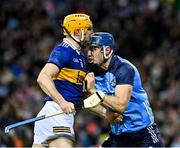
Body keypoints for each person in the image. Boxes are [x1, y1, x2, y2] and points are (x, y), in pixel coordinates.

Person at [85, 32, 164, 147]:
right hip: (118, 135)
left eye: (93, 49)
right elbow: (85, 99)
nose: (89, 53)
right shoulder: (90, 70)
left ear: (107, 50)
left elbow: (121, 105)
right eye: (88, 49)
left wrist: (93, 92)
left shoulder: (124, 68)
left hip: (143, 135)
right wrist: (106, 114)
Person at [32, 13, 94, 147]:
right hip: (57, 113)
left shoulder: (80, 56)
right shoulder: (64, 50)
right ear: (77, 32)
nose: (91, 33)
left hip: (51, 114)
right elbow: (43, 77)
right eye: (88, 29)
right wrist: (62, 102)